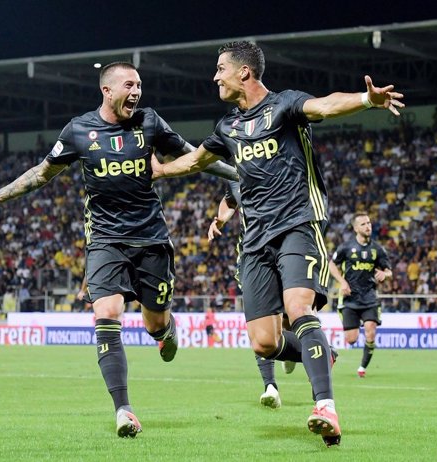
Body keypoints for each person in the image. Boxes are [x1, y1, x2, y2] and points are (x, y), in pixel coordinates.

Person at [0, 61, 238, 438]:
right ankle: (123, 409)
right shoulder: (79, 130)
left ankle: (166, 331)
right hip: (105, 240)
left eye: (139, 85)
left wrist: (240, 173)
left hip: (151, 238)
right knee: (106, 315)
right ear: (107, 91)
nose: (136, 92)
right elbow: (43, 173)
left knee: (154, 322)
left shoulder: (150, 122)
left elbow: (195, 155)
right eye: (129, 85)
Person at [152, 40, 404, 446]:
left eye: (220, 68)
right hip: (254, 240)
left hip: (297, 224)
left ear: (244, 73)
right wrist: (161, 172)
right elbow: (198, 160)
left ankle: (325, 406)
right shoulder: (227, 127)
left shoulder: (285, 105)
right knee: (265, 342)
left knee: (298, 308)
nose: (215, 76)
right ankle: (320, 353)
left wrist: (366, 99)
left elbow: (325, 106)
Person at [207, 181, 281, 409]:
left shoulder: (282, 165)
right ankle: (271, 386)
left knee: (286, 323)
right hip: (251, 257)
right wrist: (220, 219)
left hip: (284, 249)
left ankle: (304, 354)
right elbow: (230, 199)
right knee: (259, 327)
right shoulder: (237, 174)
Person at [329, 212, 392, 378]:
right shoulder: (346, 247)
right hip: (350, 298)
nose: (368, 226)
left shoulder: (377, 249)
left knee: (371, 330)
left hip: (370, 297)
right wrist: (342, 282)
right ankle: (331, 353)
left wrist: (385, 275)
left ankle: (362, 367)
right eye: (363, 224)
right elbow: (331, 265)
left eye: (369, 223)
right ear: (356, 228)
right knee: (351, 339)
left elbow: (388, 270)